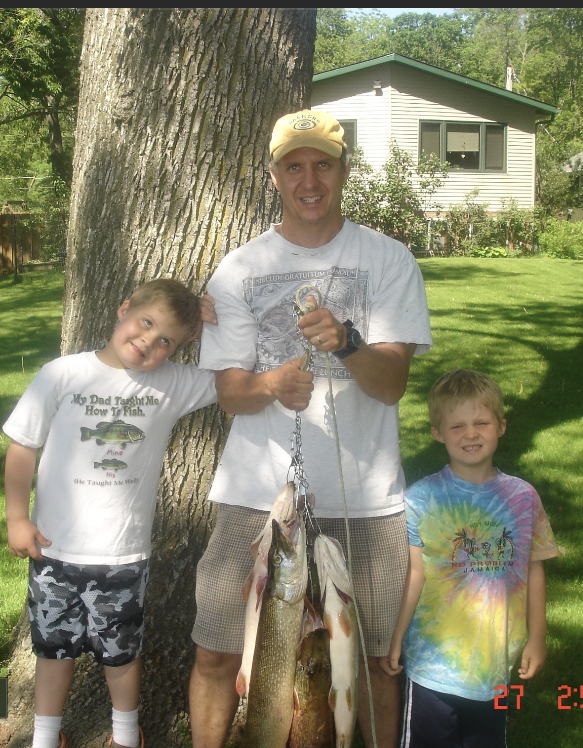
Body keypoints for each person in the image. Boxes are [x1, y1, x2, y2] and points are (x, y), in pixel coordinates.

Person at [189, 109, 433, 748]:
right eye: (294, 166)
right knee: (218, 651)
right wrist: (269, 385)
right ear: (273, 175)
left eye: (322, 164)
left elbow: (392, 384)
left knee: (374, 662)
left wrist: (350, 343)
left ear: (344, 170)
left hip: (370, 499)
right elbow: (229, 394)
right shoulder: (238, 268)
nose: (309, 180)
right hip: (256, 497)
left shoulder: (388, 259)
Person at [3, 279, 217, 748]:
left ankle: (125, 733)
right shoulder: (63, 374)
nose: (149, 342)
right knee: (52, 647)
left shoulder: (173, 383)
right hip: (52, 549)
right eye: (145, 323)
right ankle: (45, 735)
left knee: (120, 652)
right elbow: (22, 448)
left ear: (178, 351)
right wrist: (16, 517)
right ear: (123, 309)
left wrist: (225, 324)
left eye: (167, 341)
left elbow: (236, 377)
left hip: (123, 554)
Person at [384, 369, 559, 748]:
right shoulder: (420, 499)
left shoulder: (523, 498)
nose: (471, 433)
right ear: (437, 432)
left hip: (494, 666)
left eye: (481, 422)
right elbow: (416, 574)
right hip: (431, 665)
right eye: (457, 425)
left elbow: (534, 568)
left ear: (501, 426)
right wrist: (396, 638)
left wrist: (537, 637)